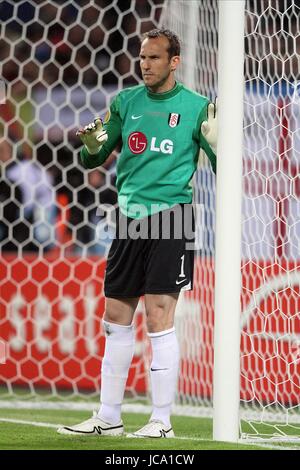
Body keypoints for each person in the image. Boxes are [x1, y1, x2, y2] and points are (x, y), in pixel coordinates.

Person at [57, 28, 217, 438]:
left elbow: (221, 166)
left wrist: (219, 144)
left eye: (154, 58)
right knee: (115, 317)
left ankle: (161, 421)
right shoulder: (126, 102)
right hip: (128, 217)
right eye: (142, 57)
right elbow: (92, 157)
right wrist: (91, 143)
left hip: (173, 216)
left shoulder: (198, 107)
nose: (144, 64)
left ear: (174, 62)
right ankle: (108, 416)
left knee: (159, 316)